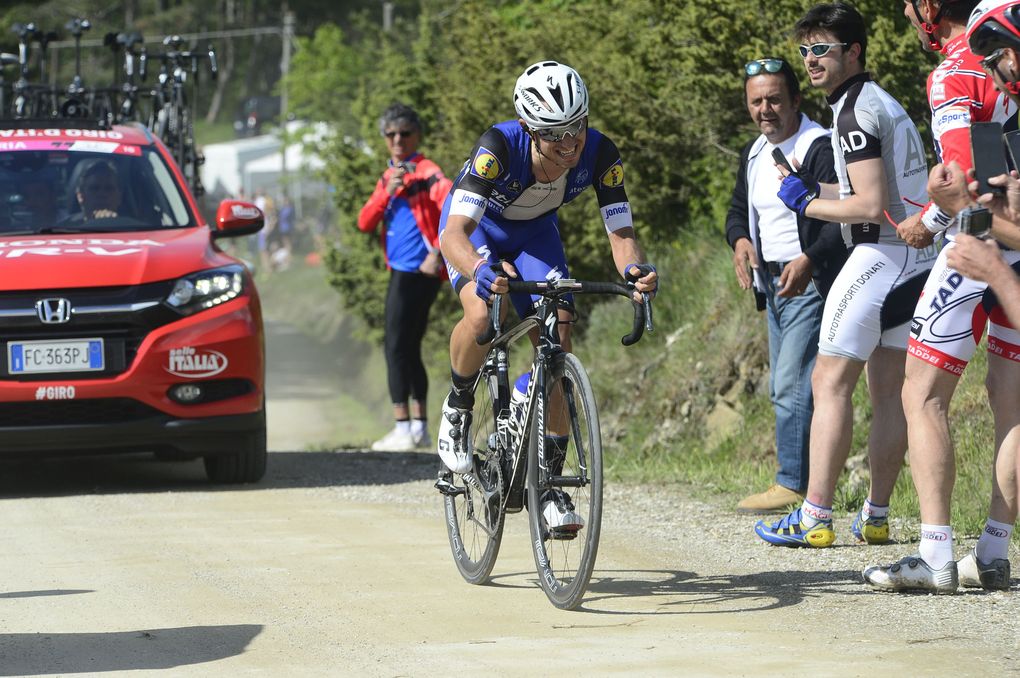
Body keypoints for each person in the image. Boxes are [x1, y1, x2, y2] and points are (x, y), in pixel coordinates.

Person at [435, 61, 657, 532]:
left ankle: (550, 484)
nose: (570, 142)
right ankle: (457, 405)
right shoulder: (498, 148)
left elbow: (621, 235)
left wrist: (635, 270)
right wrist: (478, 268)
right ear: (528, 130)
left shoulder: (600, 154)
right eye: (556, 134)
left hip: (536, 234)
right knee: (482, 315)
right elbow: (454, 233)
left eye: (577, 126)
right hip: (479, 232)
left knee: (558, 337)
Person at [754, 3, 934, 548]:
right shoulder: (874, 101)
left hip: (879, 255)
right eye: (805, 49)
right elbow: (867, 191)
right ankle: (875, 515)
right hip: (916, 258)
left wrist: (808, 204)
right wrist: (816, 192)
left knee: (828, 382)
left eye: (822, 49)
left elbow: (870, 204)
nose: (810, 60)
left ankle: (814, 514)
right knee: (888, 394)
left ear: (853, 53)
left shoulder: (853, 112)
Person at [866, 0, 1020, 593]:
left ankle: (934, 555)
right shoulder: (1007, 59)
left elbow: (962, 177)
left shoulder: (958, 68)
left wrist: (936, 221)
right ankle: (993, 552)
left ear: (929, 8)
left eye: (909, 6)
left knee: (922, 393)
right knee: (1012, 401)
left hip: (977, 243)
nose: (908, 16)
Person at [725, 57, 847, 513]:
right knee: (794, 381)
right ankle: (804, 483)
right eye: (756, 101)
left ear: (796, 99)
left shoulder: (818, 146)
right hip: (771, 282)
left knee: (792, 383)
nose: (765, 109)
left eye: (775, 99)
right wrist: (739, 241)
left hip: (808, 280)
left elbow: (845, 214)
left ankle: (793, 484)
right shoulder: (754, 152)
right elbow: (738, 209)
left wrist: (810, 260)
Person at [358, 104, 452, 452]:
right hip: (402, 269)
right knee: (408, 349)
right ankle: (418, 427)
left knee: (395, 347)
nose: (398, 140)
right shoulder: (390, 177)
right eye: (391, 134)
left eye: (405, 133)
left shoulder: (425, 170)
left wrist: (439, 253)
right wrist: (387, 191)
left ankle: (402, 426)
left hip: (418, 271)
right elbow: (365, 221)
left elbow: (452, 201)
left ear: (417, 136)